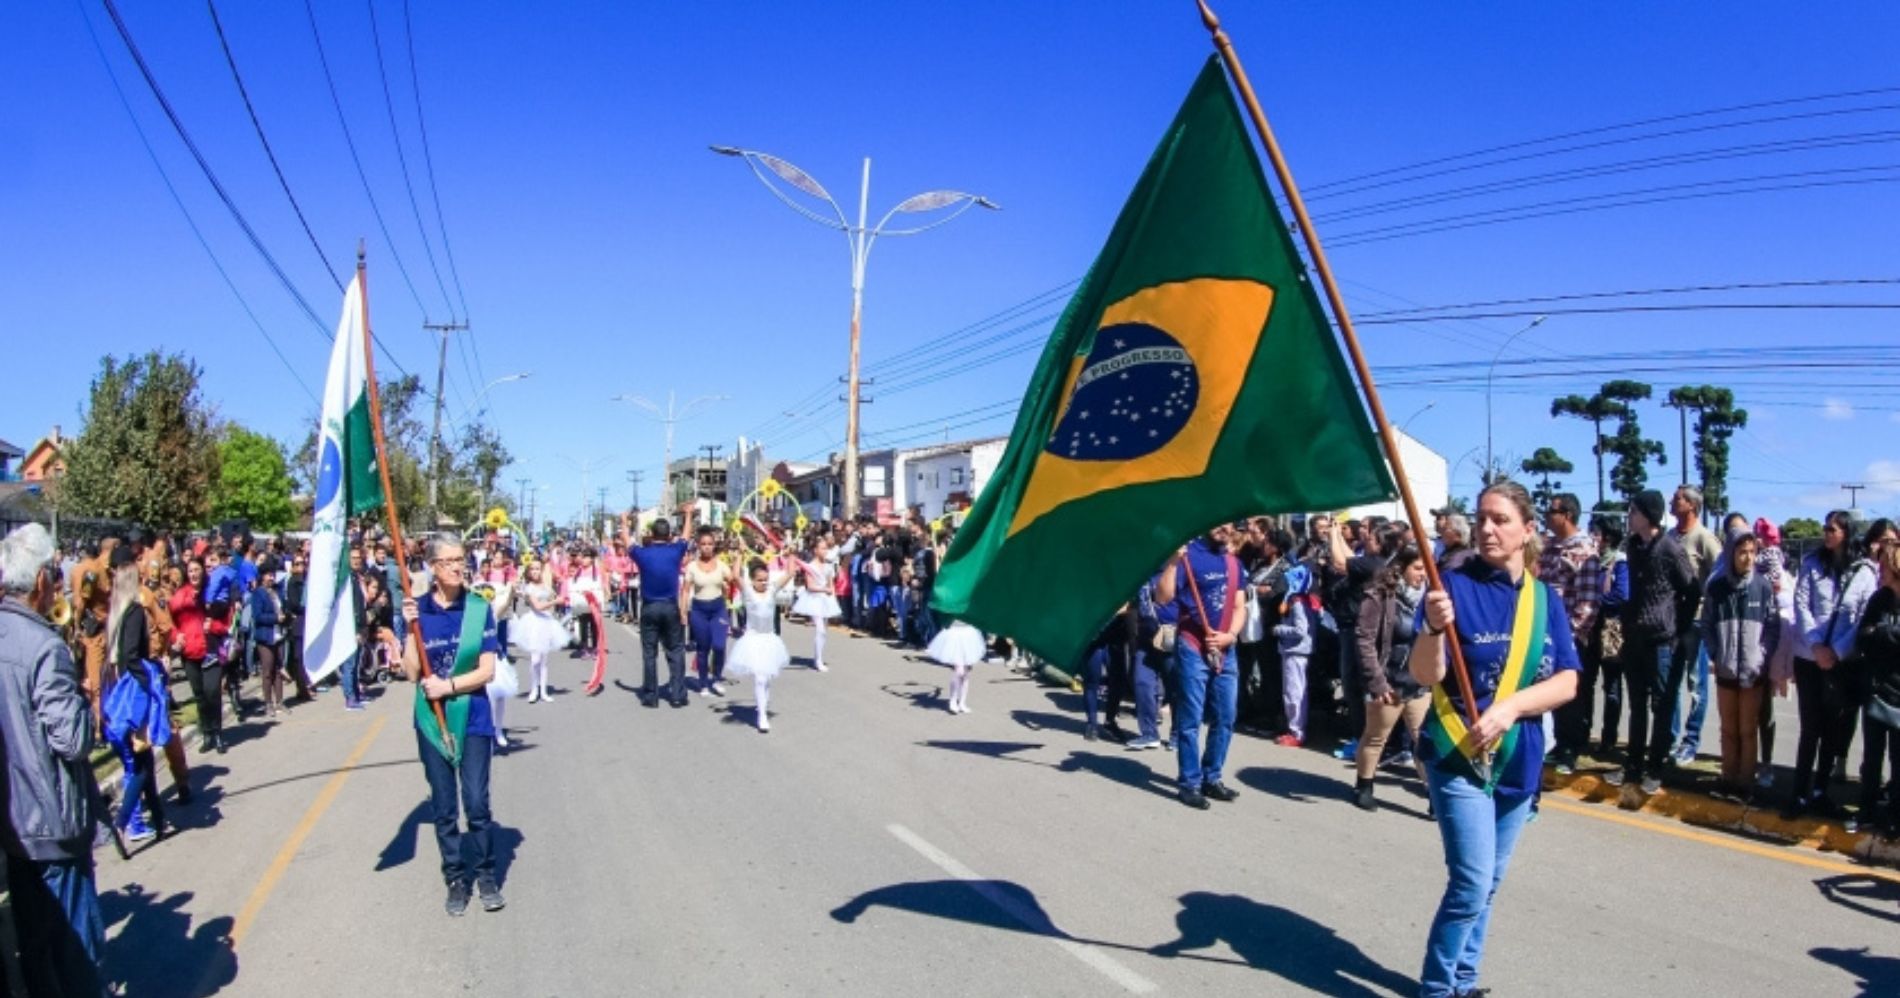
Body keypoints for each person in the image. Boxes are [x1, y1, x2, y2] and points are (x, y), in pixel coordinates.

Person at [1409, 481, 1579, 998]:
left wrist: (1509, 708)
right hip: (1459, 756)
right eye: (1481, 517)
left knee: (1490, 886)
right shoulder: (1451, 587)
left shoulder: (1544, 599)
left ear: (1528, 531)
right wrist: (1433, 630)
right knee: (1471, 884)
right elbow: (1423, 673)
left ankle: (1465, 980)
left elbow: (1568, 680)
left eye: (1500, 519)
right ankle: (1436, 989)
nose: (1486, 528)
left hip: (1517, 758)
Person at [0, 525, 108, 996]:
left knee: (36, 951)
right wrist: (83, 703)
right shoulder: (44, 647)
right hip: (53, 822)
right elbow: (73, 741)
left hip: (14, 823)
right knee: (76, 950)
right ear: (42, 578)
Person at [398, 534, 505, 917]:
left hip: (472, 715)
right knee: (444, 806)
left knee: (476, 801)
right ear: (432, 567)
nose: (459, 567)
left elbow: (488, 670)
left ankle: (487, 873)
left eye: (462, 559)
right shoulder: (419, 611)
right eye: (449, 561)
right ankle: (456, 878)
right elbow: (411, 673)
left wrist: (450, 686)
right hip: (432, 719)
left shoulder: (479, 609)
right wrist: (410, 630)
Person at [1785, 512, 1882, 819]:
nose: (1826, 534)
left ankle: (1820, 790)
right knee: (1810, 727)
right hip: (1808, 657)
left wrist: (1837, 652)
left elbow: (1862, 620)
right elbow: (1801, 605)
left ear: (1847, 533)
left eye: (1833, 529)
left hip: (1841, 661)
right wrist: (1816, 646)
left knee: (1831, 729)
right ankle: (1799, 792)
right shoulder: (1812, 563)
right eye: (1825, 528)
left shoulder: (1866, 573)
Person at [1607, 490, 1697, 796]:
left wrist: (1678, 627)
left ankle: (1656, 767)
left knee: (1662, 705)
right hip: (1635, 637)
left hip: (1661, 640)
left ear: (1648, 515)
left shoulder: (1670, 548)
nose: (1629, 517)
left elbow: (1692, 590)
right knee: (1637, 705)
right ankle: (1632, 764)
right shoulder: (1632, 547)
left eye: (1633, 511)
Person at [1156, 524, 1247, 810]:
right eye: (1218, 522)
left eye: (1229, 522)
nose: (1224, 527)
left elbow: (1239, 607)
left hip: (1226, 650)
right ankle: (1190, 783)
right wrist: (1172, 560)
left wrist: (1230, 636)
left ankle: (1212, 777)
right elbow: (1163, 597)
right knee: (1190, 719)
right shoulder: (1188, 556)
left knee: (1225, 718)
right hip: (1193, 646)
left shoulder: (1234, 562)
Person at [1352, 545, 1430, 811]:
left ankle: (1435, 795)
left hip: (1419, 682)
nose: (1423, 575)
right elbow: (1364, 639)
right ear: (1401, 568)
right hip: (1389, 680)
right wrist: (1377, 681)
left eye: (1426, 569)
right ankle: (1364, 785)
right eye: (1418, 568)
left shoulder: (1430, 598)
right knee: (1376, 737)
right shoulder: (1379, 596)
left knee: (1424, 740)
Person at [1700, 531, 1772, 799]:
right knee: (1728, 729)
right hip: (1726, 669)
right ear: (1731, 553)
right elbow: (1706, 624)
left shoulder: (1762, 587)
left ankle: (1745, 783)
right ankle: (1727, 778)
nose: (1748, 558)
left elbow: (1772, 628)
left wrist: (1761, 656)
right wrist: (1716, 654)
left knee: (1747, 730)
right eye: (1742, 552)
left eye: (1753, 552)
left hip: (1753, 672)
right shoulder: (1717, 588)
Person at [105, 553, 172, 840]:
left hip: (121, 687)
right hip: (136, 692)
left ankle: (157, 820)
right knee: (142, 760)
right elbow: (133, 654)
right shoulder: (133, 611)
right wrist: (150, 680)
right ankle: (123, 822)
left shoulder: (116, 613)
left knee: (141, 760)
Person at [1542, 493, 1602, 774]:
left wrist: (1571, 635)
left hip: (1570, 636)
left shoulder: (1585, 549)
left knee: (1573, 696)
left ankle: (1571, 748)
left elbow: (1588, 601)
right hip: (1546, 632)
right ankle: (1557, 743)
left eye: (1551, 510)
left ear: (1567, 515)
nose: (1546, 515)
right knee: (1551, 692)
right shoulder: (1550, 546)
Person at [1669, 486, 1723, 764]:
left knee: (1696, 683)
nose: (1672, 501)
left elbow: (1721, 575)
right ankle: (1670, 739)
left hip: (1696, 621)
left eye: (1677, 498)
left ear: (1691, 505)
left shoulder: (1704, 539)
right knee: (1671, 682)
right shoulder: (1669, 537)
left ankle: (1691, 741)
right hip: (1670, 622)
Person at [1851, 537, 1900, 839]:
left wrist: (1882, 634)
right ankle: (1866, 809)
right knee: (1871, 756)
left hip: (1899, 693)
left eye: (1884, 566)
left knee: (1899, 761)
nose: (1879, 571)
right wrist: (1889, 634)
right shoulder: (1879, 599)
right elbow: (1863, 636)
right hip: (1876, 688)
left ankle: (1895, 815)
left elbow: (1877, 635)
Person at [629, 510, 696, 708]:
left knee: (649, 652)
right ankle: (677, 694)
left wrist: (625, 523)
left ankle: (651, 696)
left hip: (649, 607)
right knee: (675, 650)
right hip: (669, 606)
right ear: (668, 535)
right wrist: (689, 515)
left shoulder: (642, 553)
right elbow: (686, 536)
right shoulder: (675, 551)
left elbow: (627, 542)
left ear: (651, 535)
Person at [727, 561, 796, 732]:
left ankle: (762, 703)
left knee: (766, 677)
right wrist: (738, 555)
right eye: (760, 580)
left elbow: (790, 573)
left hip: (769, 638)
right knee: (760, 678)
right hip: (753, 638)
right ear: (752, 580)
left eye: (765, 580)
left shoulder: (772, 590)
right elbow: (735, 576)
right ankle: (762, 716)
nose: (763, 583)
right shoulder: (748, 592)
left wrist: (790, 554)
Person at [169, 558, 222, 753]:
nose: (193, 574)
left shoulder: (212, 592)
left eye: (197, 570)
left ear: (203, 571)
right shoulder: (180, 597)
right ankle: (207, 733)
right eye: (190, 571)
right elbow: (170, 622)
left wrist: (214, 626)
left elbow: (227, 618)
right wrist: (177, 636)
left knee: (212, 692)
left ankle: (218, 732)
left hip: (211, 650)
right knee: (200, 695)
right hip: (190, 652)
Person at [1589, 516, 1631, 756]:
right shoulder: (1592, 562)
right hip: (1592, 629)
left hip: (1611, 632)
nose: (1594, 537)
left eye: (1597, 533)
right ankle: (1583, 734)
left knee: (1612, 686)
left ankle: (1609, 737)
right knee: (1587, 683)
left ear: (1608, 537)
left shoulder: (1620, 562)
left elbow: (1622, 595)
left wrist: (1594, 600)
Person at [1273, 563, 1321, 747]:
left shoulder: (1298, 602)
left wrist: (1279, 629)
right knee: (1295, 690)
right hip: (1295, 651)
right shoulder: (1302, 599)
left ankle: (1296, 732)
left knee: (1294, 692)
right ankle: (1295, 729)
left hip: (1296, 651)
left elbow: (1301, 630)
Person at [685, 527, 737, 697]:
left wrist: (738, 558)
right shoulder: (692, 566)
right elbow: (685, 590)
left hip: (718, 608)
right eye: (703, 544)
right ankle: (703, 682)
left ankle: (716, 678)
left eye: (710, 544)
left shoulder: (721, 565)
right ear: (698, 546)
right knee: (703, 648)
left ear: (714, 546)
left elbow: (734, 580)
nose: (707, 547)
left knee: (720, 646)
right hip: (699, 609)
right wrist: (682, 611)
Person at [511, 562, 566, 702]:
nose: (535, 572)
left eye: (538, 569)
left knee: (544, 660)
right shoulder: (529, 588)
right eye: (533, 569)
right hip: (534, 622)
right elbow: (538, 606)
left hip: (546, 621)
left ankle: (543, 691)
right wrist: (555, 602)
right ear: (529, 572)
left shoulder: (546, 586)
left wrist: (560, 594)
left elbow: (554, 595)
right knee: (535, 659)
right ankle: (534, 689)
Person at [793, 535, 844, 673]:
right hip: (814, 599)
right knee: (820, 629)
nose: (825, 551)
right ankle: (818, 661)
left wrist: (831, 594)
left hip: (825, 599)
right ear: (815, 550)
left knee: (824, 632)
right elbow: (810, 586)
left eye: (826, 548)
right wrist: (824, 589)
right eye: (822, 548)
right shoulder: (810, 566)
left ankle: (818, 656)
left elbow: (830, 583)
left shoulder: (828, 566)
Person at [250, 556, 287, 718]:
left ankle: (280, 701)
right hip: (265, 636)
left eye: (272, 575)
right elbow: (257, 616)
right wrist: (274, 619)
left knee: (278, 670)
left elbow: (281, 608)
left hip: (278, 635)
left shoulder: (276, 592)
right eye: (268, 575)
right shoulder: (258, 593)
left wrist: (284, 616)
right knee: (267, 670)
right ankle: (268, 703)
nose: (271, 578)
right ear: (262, 576)